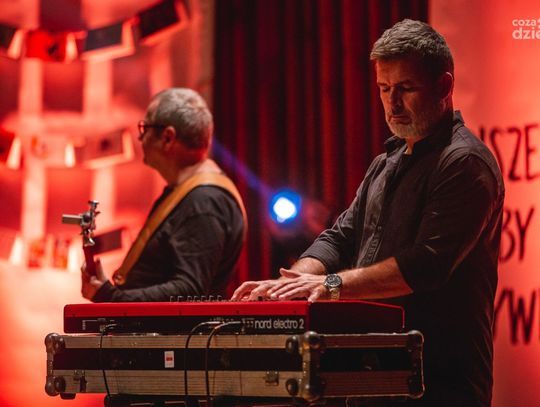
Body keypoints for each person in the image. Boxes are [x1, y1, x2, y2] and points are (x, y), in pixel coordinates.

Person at [232, 19, 504, 407]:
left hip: (439, 384)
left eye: (406, 88)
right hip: (374, 378)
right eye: (384, 88)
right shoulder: (386, 162)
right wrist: (291, 284)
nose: (393, 103)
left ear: (444, 87)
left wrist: (327, 286)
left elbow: (427, 264)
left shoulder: (464, 163)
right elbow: (340, 238)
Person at [82, 88, 246, 302]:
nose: (140, 137)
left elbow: (189, 291)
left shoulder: (204, 201)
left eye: (145, 128)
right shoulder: (191, 193)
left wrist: (112, 297)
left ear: (168, 138)